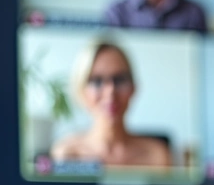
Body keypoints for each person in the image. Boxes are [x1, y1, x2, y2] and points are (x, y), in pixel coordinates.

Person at [50, 41, 172, 169]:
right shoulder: (67, 155)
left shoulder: (157, 155)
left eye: (119, 80)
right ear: (81, 91)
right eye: (97, 81)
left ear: (134, 88)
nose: (110, 92)